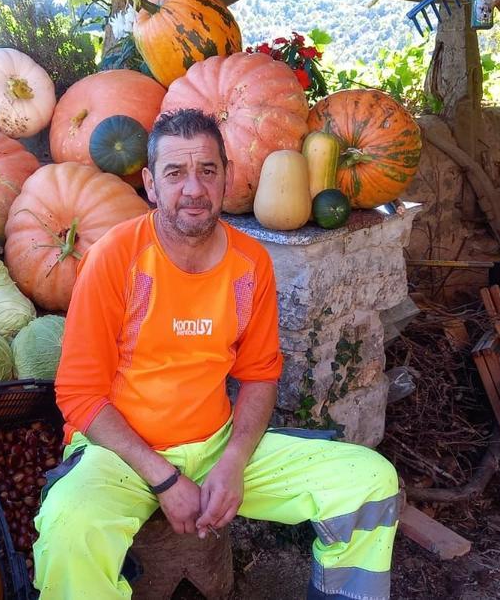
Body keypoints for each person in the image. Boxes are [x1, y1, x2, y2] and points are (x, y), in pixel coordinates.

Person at [33, 109, 400, 599]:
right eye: (175, 173)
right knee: (69, 526)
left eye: (207, 170)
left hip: (215, 447)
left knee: (370, 481)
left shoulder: (251, 264)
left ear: (226, 177)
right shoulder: (115, 258)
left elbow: (260, 376)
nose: (193, 189)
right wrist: (164, 480)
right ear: (150, 184)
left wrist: (232, 461)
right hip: (116, 455)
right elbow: (79, 395)